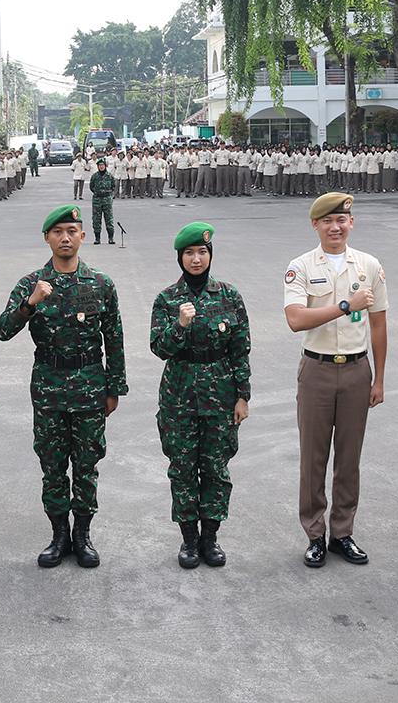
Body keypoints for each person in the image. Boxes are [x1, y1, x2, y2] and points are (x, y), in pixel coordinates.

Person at [0, 204, 126, 568]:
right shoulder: (31, 284)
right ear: (47, 238)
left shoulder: (100, 283)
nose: (65, 238)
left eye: (72, 230)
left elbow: (114, 338)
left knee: (86, 465)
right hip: (49, 388)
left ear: (82, 236)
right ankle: (58, 536)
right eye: (58, 232)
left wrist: (114, 388)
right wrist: (30, 304)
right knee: (52, 465)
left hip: (89, 387)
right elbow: (3, 331)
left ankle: (82, 535)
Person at [283, 193, 388, 568]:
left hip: (358, 370)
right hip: (317, 370)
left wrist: (378, 378)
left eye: (342, 219)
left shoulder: (369, 265)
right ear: (315, 225)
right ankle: (315, 534)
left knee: (349, 458)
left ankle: (343, 532)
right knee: (314, 458)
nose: (335, 227)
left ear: (351, 223)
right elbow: (296, 319)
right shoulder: (301, 266)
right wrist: (345, 305)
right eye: (327, 221)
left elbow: (379, 324)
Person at [150, 222, 250, 568]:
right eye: (190, 253)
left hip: (221, 395)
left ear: (210, 255)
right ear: (180, 257)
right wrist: (179, 325)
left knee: (216, 469)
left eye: (202, 253)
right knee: (182, 468)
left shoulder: (229, 296)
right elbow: (158, 348)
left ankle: (211, 539)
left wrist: (243, 396)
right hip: (178, 396)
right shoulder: (167, 299)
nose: (196, 259)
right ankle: (189, 541)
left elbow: (240, 349)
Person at [89, 158, 116, 245]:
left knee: (109, 219)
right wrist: (98, 193)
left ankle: (111, 238)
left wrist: (106, 194)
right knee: (96, 219)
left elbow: (113, 187)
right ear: (97, 166)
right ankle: (97, 238)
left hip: (107, 199)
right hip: (97, 200)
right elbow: (91, 187)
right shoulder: (94, 176)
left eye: (102, 165)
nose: (101, 167)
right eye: (100, 165)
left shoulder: (110, 176)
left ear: (105, 166)